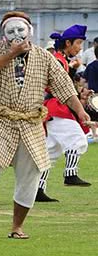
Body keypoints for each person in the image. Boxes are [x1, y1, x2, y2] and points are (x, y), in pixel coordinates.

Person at [0, 12, 89, 241]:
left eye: (20, 30)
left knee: (31, 175)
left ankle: (17, 227)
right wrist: (12, 53)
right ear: (3, 34)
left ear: (30, 32)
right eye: (11, 31)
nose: (16, 35)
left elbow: (64, 87)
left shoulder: (44, 57)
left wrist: (81, 111)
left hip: (30, 122)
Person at [36, 25, 92, 202]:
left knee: (50, 152)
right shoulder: (58, 61)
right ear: (67, 43)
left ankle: (37, 189)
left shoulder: (60, 60)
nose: (80, 47)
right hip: (57, 106)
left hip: (52, 107)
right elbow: (58, 87)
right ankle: (70, 174)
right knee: (77, 139)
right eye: (78, 43)